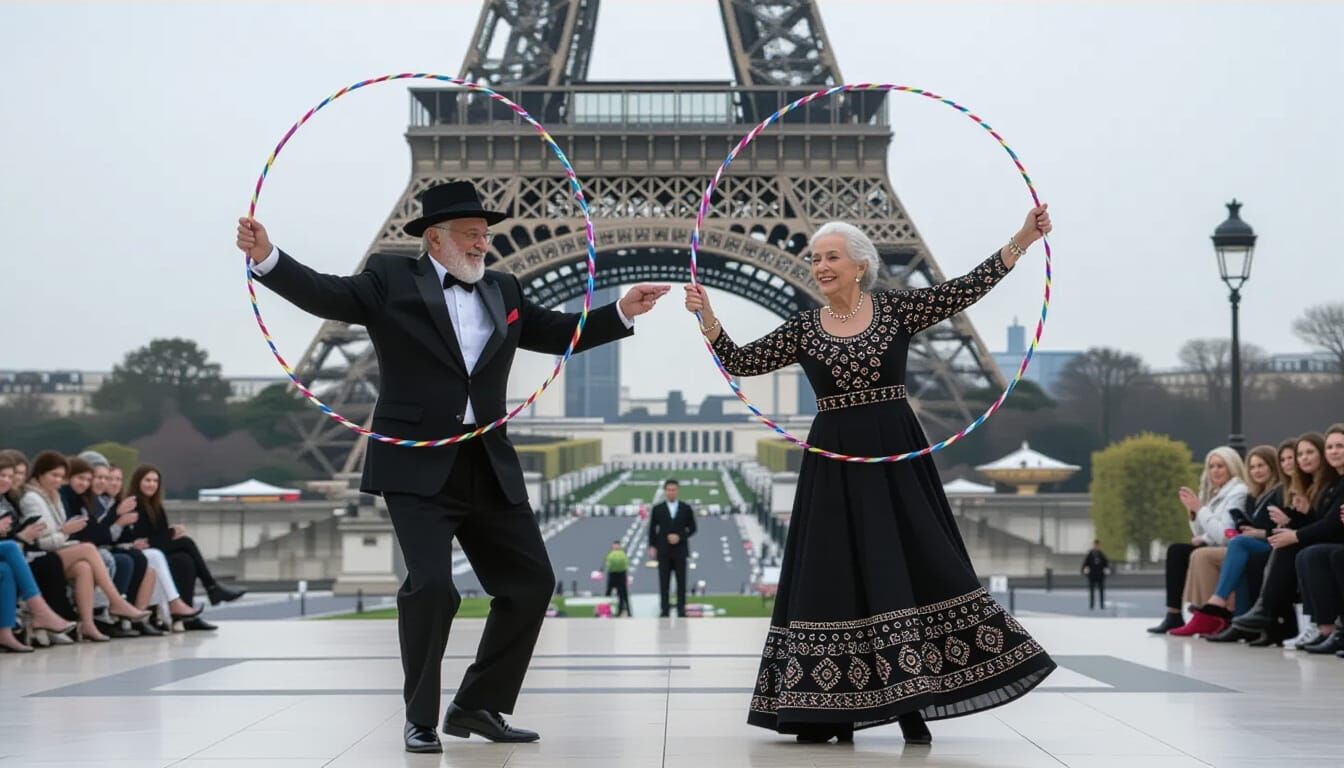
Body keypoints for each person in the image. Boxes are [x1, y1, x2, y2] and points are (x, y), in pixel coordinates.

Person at [236, 180, 669, 753]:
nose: (481, 244)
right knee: (433, 588)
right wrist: (267, 256)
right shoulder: (390, 280)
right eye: (471, 235)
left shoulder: (503, 288)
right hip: (417, 467)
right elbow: (326, 295)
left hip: (485, 461)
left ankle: (477, 705)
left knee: (531, 582)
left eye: (484, 235)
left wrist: (620, 310)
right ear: (434, 238)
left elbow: (557, 333)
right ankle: (420, 716)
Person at [684, 207, 1057, 745]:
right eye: (815, 258)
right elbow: (742, 361)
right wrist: (708, 317)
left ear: (861, 265)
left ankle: (909, 700)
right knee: (834, 571)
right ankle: (826, 708)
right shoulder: (805, 329)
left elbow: (967, 288)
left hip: (893, 454)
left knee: (900, 563)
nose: (820, 266)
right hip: (834, 460)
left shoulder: (897, 310)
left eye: (831, 256)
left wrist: (1022, 237)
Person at [647, 479, 696, 618]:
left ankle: (681, 609)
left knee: (681, 582)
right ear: (665, 491)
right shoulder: (658, 509)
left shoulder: (685, 508)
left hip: (680, 550)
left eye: (674, 489)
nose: (671, 492)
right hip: (663, 550)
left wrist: (680, 536)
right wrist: (652, 545)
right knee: (664, 582)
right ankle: (665, 609)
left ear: (678, 490)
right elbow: (652, 529)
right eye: (669, 490)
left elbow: (693, 528)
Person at [603, 541, 631, 617]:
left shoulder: (616, 554)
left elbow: (607, 563)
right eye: (615, 545)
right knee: (615, 594)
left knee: (622, 594)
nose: (616, 547)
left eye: (617, 545)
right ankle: (606, 611)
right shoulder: (614, 554)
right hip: (615, 575)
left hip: (619, 575)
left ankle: (623, 612)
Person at [1081, 540, 1110, 610]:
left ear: (1099, 546)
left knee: (1101, 592)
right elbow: (1085, 564)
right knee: (1092, 592)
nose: (1096, 546)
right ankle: (1092, 605)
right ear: (1093, 545)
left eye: (1098, 545)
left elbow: (1106, 564)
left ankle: (1102, 605)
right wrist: (1084, 570)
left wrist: (1106, 570)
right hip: (1092, 576)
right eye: (1095, 545)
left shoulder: (1102, 555)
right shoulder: (1090, 554)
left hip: (1100, 576)